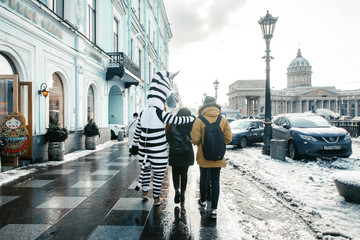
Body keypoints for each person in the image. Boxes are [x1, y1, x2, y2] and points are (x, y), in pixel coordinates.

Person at [131, 71, 195, 206]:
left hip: (143, 148)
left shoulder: (143, 112)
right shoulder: (161, 113)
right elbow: (177, 119)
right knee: (158, 173)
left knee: (146, 169)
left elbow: (137, 131)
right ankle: (156, 198)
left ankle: (144, 193)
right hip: (157, 149)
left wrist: (134, 145)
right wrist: (192, 118)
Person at [190, 96, 232, 218]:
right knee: (215, 181)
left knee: (203, 178)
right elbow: (228, 138)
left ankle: (203, 201)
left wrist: (202, 143)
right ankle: (214, 209)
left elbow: (195, 139)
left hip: (204, 157)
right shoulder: (222, 119)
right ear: (215, 105)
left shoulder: (199, 120)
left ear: (204, 105)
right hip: (218, 156)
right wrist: (217, 143)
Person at [166, 107, 194, 204]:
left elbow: (168, 136)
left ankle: (176, 190)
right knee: (184, 173)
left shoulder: (173, 123)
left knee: (175, 172)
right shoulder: (191, 124)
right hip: (187, 151)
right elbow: (194, 136)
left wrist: (173, 144)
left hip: (175, 151)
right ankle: (183, 193)